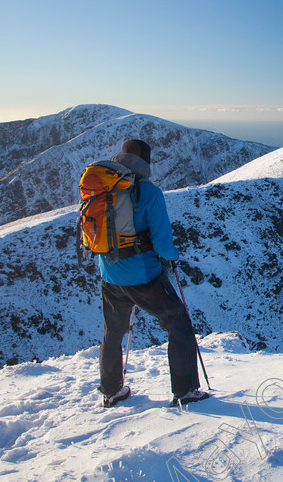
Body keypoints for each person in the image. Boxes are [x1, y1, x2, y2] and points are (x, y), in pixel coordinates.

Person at [97, 139, 208, 407]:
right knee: (178, 324)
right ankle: (184, 390)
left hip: (109, 274)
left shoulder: (104, 186)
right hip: (143, 276)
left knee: (113, 332)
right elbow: (161, 240)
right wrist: (173, 257)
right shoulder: (149, 193)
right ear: (146, 163)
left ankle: (111, 391)